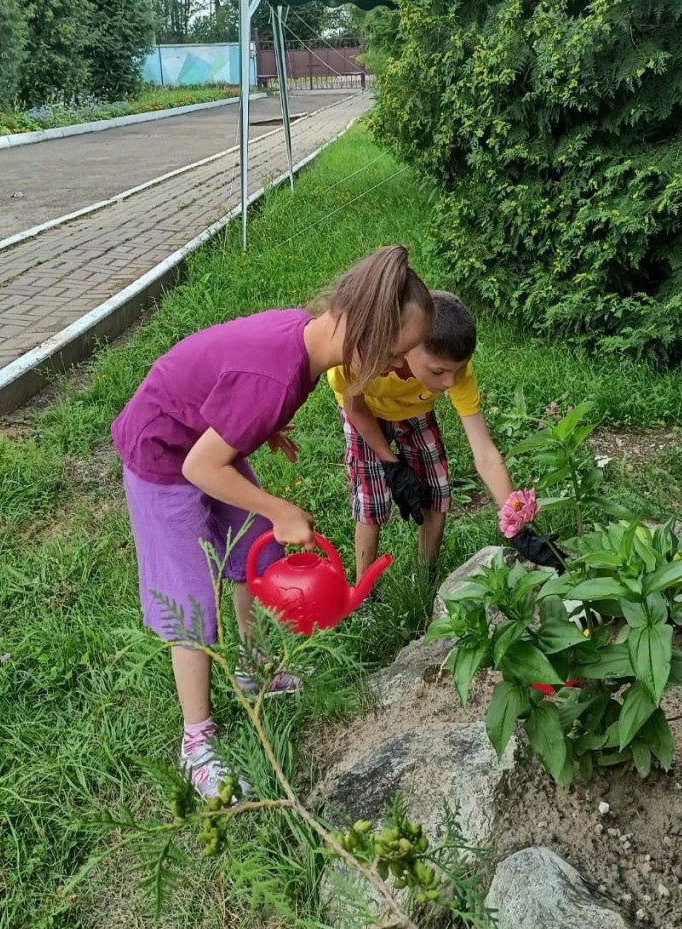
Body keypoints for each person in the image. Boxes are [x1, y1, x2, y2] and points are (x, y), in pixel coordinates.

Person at [111, 245, 434, 799]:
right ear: (364, 331)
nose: (395, 369)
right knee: (192, 599)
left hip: (202, 438)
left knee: (250, 544)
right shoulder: (278, 377)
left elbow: (231, 388)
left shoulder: (310, 340)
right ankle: (195, 739)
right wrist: (281, 508)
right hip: (164, 455)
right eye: (393, 355)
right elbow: (199, 465)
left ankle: (251, 667)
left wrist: (255, 428)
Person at [327, 290, 564, 580]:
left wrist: (518, 527)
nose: (450, 381)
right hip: (365, 414)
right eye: (438, 371)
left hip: (415, 411)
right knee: (371, 499)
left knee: (436, 490)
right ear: (408, 346)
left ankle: (426, 573)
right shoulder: (360, 357)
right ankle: (364, 585)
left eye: (458, 370)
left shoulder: (455, 373)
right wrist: (391, 463)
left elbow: (486, 454)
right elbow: (356, 409)